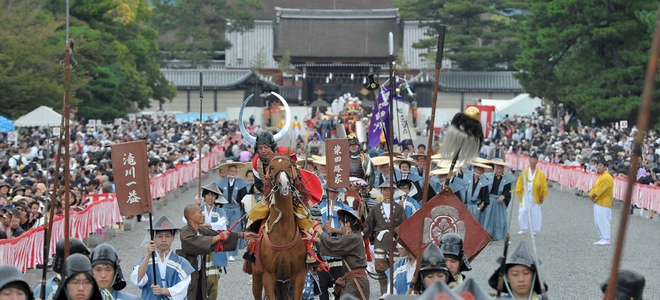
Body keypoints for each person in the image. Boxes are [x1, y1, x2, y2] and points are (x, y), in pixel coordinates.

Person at [179, 204, 256, 300]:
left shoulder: (201, 230)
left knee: (201, 295)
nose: (202, 214)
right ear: (191, 216)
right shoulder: (185, 232)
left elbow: (218, 234)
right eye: (199, 212)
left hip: (199, 273)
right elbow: (198, 242)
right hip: (188, 275)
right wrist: (219, 237)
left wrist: (242, 234)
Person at [130, 215, 193, 300]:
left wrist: (163, 291)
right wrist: (148, 255)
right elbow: (138, 280)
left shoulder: (182, 263)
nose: (164, 240)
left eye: (167, 236)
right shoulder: (144, 261)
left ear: (173, 237)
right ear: (153, 238)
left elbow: (182, 288)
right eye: (159, 236)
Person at [312, 209, 370, 300]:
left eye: (341, 224)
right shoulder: (355, 237)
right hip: (353, 282)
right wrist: (314, 239)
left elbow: (333, 244)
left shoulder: (353, 237)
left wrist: (320, 230)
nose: (341, 227)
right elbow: (335, 244)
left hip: (356, 282)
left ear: (348, 224)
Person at [185, 182, 229, 300]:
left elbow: (222, 224)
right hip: (200, 247)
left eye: (213, 195)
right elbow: (186, 221)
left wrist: (205, 225)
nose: (210, 197)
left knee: (213, 282)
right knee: (199, 280)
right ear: (204, 196)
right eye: (208, 195)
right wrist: (196, 205)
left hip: (214, 248)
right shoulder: (199, 209)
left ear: (216, 197)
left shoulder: (220, 211)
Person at [363, 181, 407, 295]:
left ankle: (394, 292)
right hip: (380, 241)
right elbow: (368, 225)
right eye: (385, 190)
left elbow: (405, 225)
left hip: (394, 242)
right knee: (381, 269)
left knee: (395, 268)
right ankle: (383, 292)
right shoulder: (375, 208)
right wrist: (362, 235)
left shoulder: (399, 208)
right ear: (381, 192)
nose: (387, 192)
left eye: (390, 190)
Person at [317, 187, 352, 300]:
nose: (333, 194)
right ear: (327, 192)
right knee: (322, 284)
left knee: (339, 282)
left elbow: (348, 230)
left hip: (338, 247)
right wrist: (323, 226)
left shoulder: (344, 208)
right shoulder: (319, 207)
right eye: (331, 191)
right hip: (323, 247)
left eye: (336, 191)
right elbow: (313, 228)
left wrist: (335, 230)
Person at [213, 162, 248, 261]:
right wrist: (217, 205)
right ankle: (223, 251)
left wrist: (243, 209)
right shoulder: (221, 182)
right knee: (224, 229)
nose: (233, 173)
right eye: (231, 171)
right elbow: (218, 195)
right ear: (228, 172)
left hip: (236, 208)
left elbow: (243, 197)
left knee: (234, 230)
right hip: (224, 207)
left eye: (234, 171)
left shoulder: (241, 183)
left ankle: (232, 253)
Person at [515, 153, 548, 235]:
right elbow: (520, 182)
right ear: (530, 160)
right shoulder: (525, 171)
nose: (533, 161)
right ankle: (523, 228)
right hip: (526, 194)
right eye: (532, 159)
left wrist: (542, 196)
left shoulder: (540, 173)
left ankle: (533, 229)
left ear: (537, 161)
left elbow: (543, 185)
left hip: (535, 195)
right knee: (522, 211)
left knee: (535, 212)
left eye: (535, 160)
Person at [483, 159, 515, 241]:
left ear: (503, 170)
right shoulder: (489, 177)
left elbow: (508, 191)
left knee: (500, 220)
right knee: (488, 218)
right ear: (495, 169)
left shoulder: (506, 180)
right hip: (490, 200)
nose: (499, 170)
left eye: (501, 168)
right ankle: (488, 234)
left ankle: (499, 235)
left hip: (499, 201)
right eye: (498, 168)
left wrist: (503, 196)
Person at [589, 158, 614, 246]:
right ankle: (602, 237)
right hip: (598, 201)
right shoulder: (600, 177)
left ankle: (606, 238)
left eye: (600, 165)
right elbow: (595, 187)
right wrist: (592, 194)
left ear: (605, 167)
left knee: (603, 220)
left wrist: (594, 195)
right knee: (598, 221)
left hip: (603, 202)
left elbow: (602, 189)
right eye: (598, 165)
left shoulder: (607, 177)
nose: (598, 167)